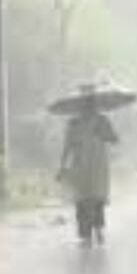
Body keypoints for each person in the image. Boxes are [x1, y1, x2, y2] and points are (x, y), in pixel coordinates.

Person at [57, 85, 119, 247]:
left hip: (98, 165)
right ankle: (86, 236)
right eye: (85, 103)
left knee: (97, 198)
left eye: (90, 102)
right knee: (82, 200)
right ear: (79, 105)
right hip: (80, 166)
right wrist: (62, 165)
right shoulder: (73, 123)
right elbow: (67, 146)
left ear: (94, 104)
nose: (88, 106)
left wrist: (103, 133)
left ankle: (98, 229)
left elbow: (114, 139)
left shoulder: (102, 120)